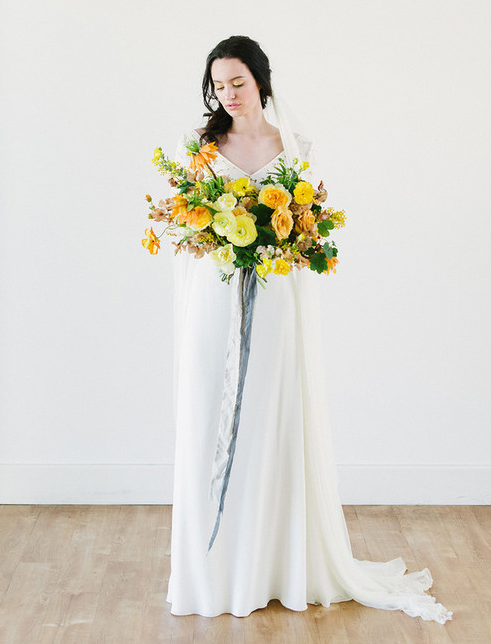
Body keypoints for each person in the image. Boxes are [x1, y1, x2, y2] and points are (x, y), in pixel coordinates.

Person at [166, 35, 452, 624]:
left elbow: (307, 229)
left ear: (261, 81)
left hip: (275, 299)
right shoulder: (200, 147)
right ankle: (213, 569)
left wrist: (280, 236)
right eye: (219, 85)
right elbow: (184, 224)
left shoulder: (293, 146)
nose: (228, 94)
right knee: (208, 412)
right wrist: (217, 231)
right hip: (214, 300)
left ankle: (273, 565)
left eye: (238, 82)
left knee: (272, 420)